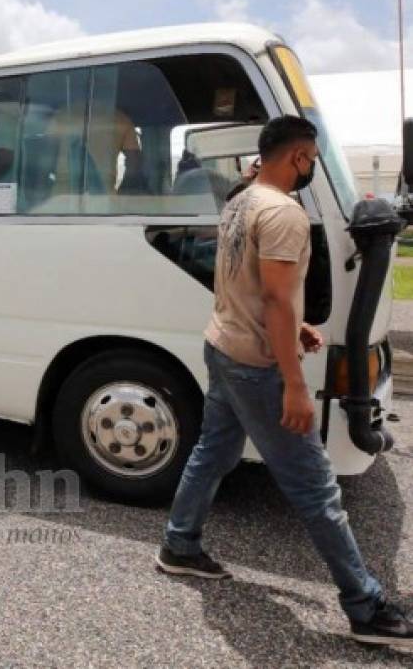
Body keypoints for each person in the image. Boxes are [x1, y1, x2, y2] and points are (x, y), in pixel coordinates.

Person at [155, 116, 413, 647]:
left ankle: (179, 546)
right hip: (256, 365)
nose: (313, 166)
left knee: (213, 451)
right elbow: (273, 296)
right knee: (315, 487)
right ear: (299, 158)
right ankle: (366, 608)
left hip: (222, 344)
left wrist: (297, 324)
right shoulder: (284, 214)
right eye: (312, 157)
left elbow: (245, 281)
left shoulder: (241, 201)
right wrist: (295, 384)